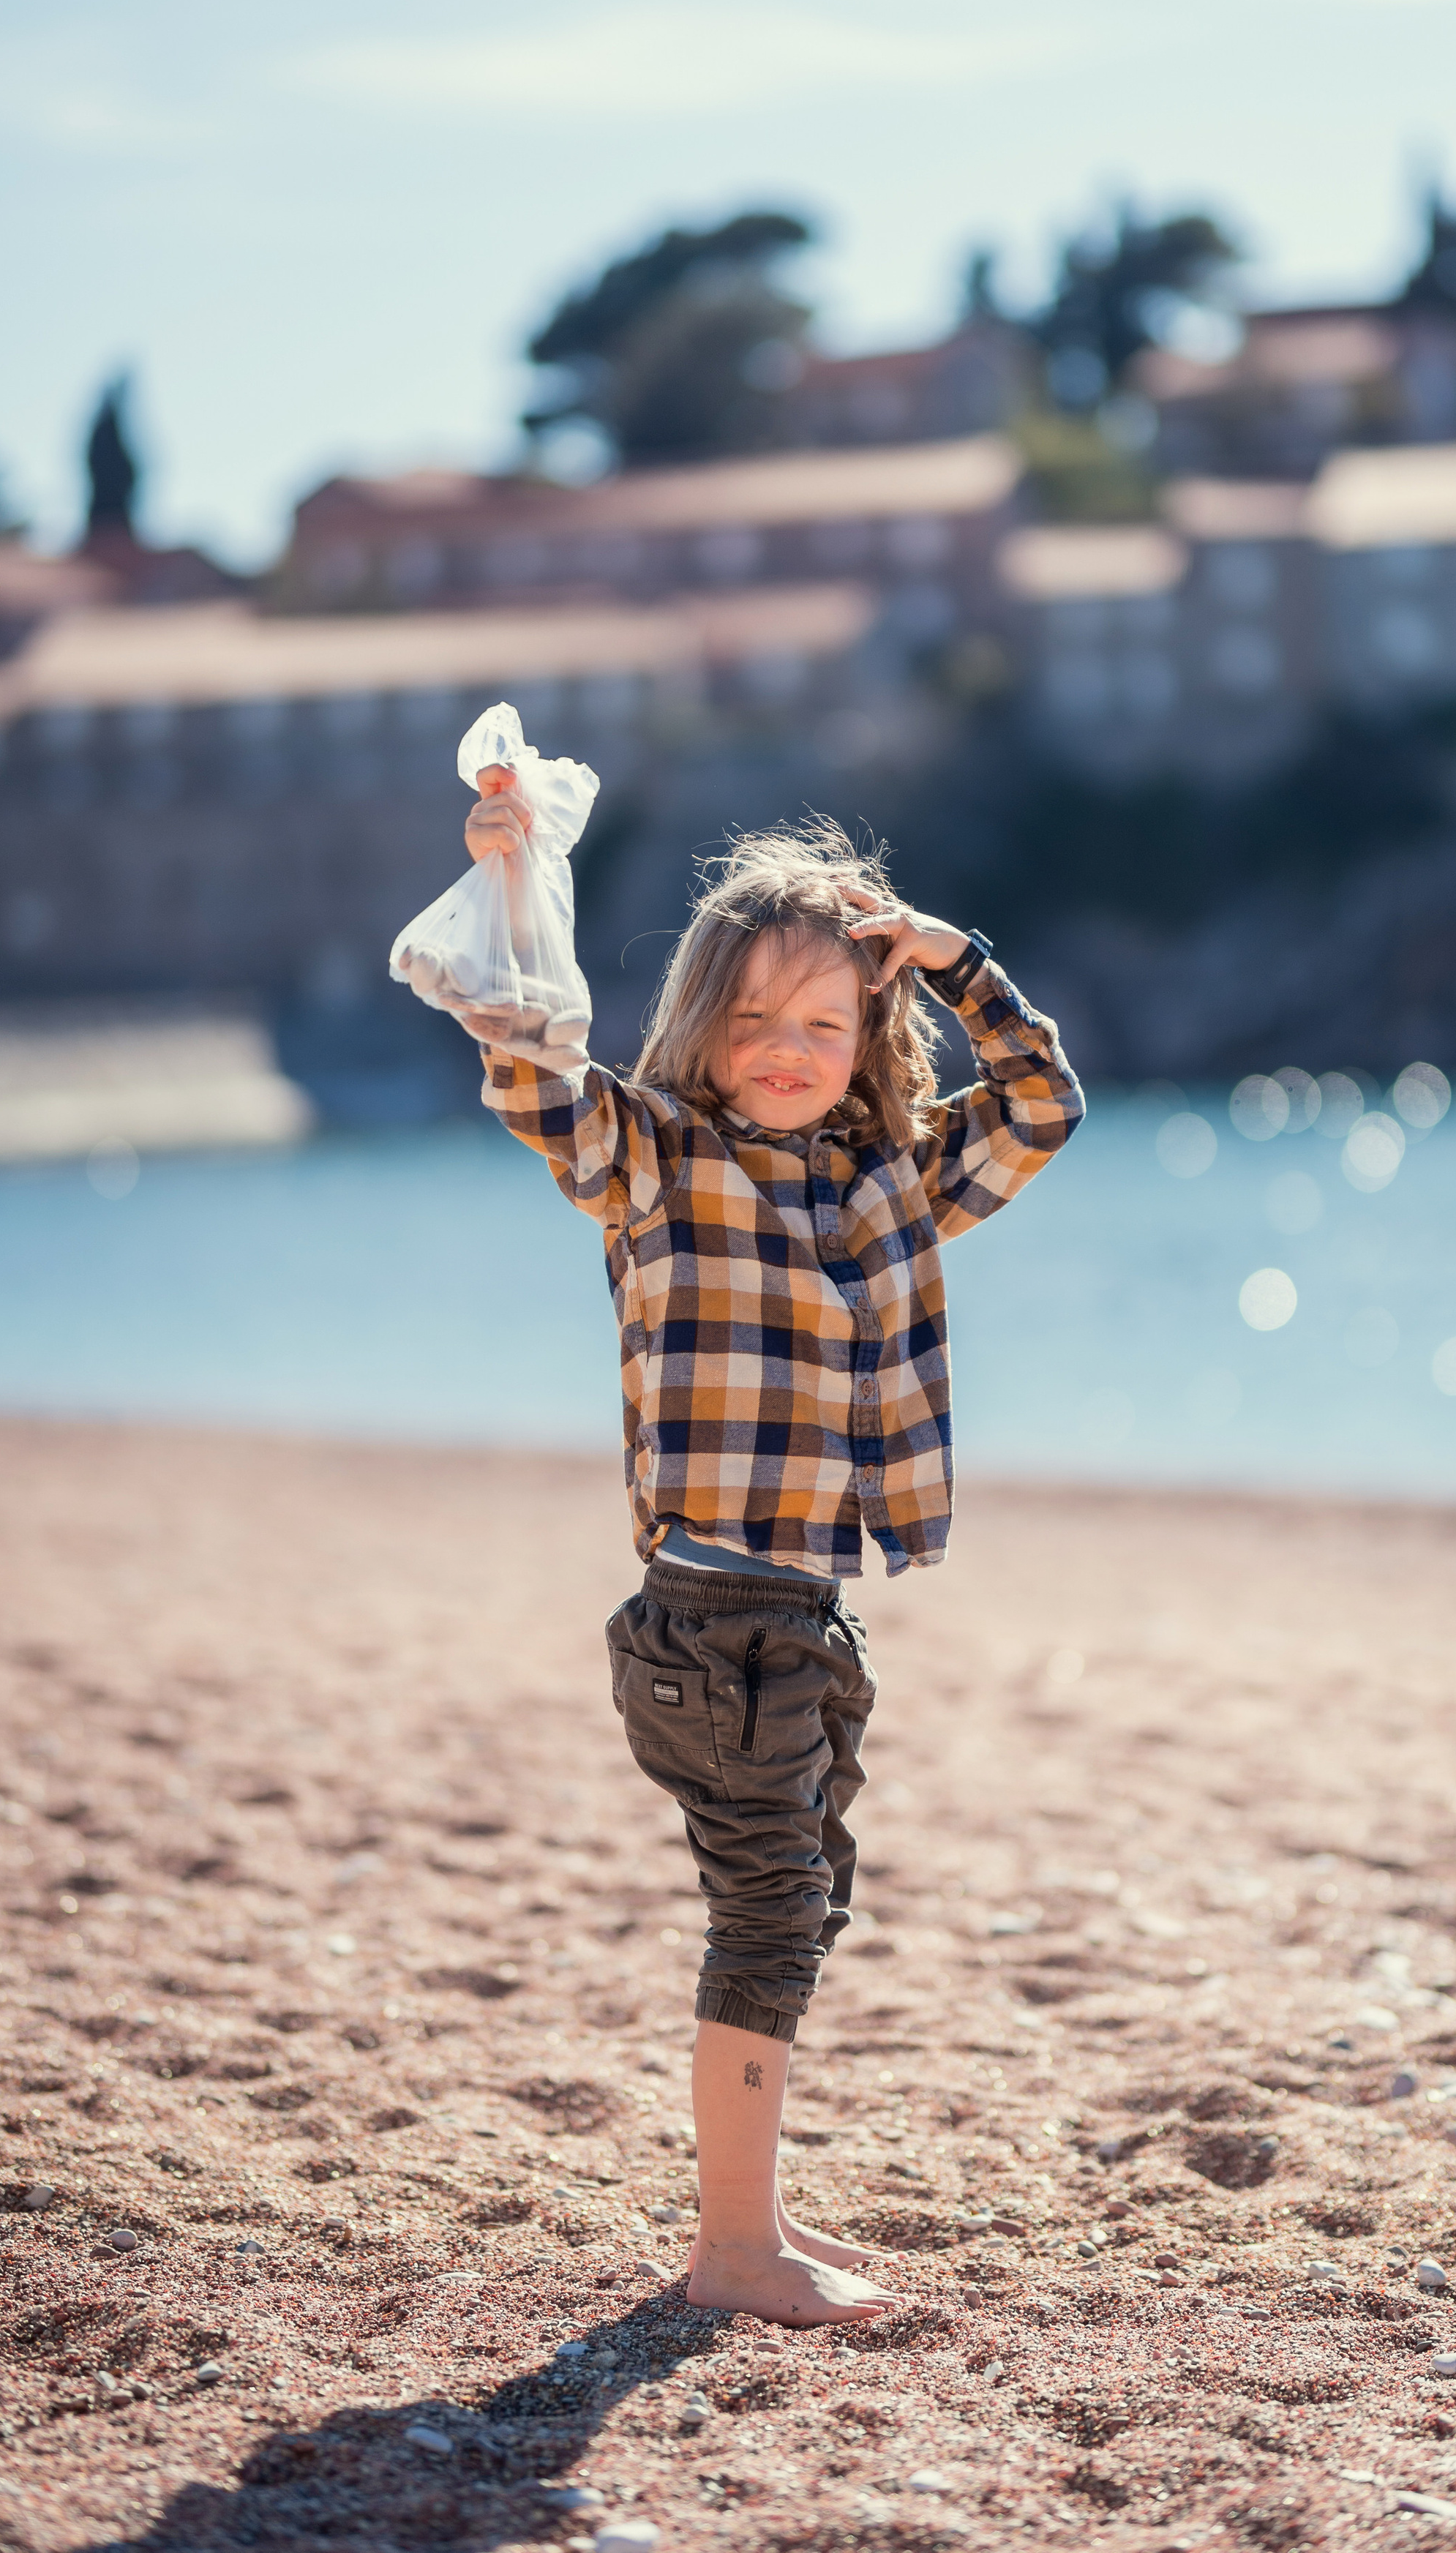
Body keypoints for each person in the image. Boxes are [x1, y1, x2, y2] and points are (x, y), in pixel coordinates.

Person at [460, 790, 1084, 2325]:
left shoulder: (894, 1182)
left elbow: (1040, 1105)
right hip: (709, 1620)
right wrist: (511, 890)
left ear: (870, 1032)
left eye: (821, 1018)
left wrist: (952, 960)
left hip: (799, 1613)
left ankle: (746, 2231)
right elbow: (540, 1083)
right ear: (700, 1029)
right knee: (764, 1914)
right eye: (751, 1021)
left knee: (799, 1907)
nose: (785, 1048)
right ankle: (735, 2251)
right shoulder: (659, 1158)